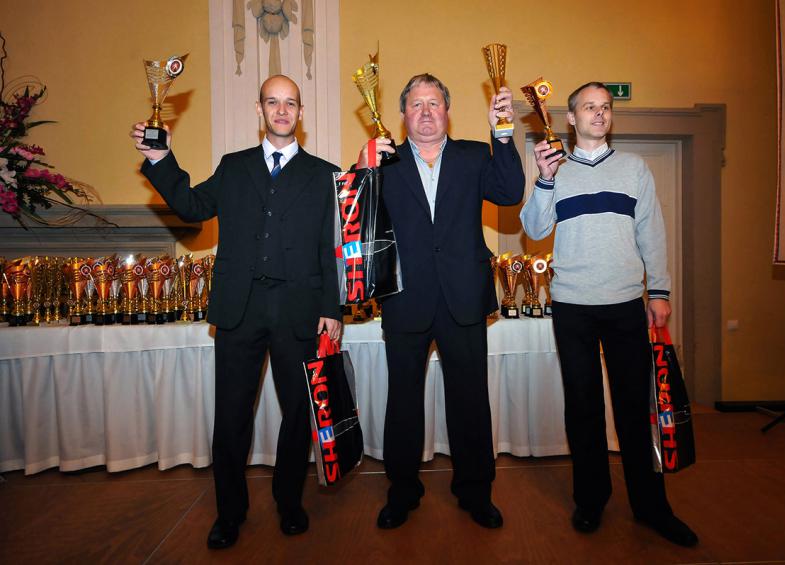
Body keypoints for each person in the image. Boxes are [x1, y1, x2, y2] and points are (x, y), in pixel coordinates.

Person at [130, 75, 342, 549]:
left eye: (290, 103)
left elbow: (330, 247)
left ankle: (290, 502)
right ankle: (230, 513)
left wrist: (332, 307)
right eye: (273, 102)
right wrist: (160, 158)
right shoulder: (233, 166)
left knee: (298, 415)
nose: (282, 111)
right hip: (239, 310)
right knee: (230, 417)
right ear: (259, 109)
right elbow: (192, 206)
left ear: (301, 112)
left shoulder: (325, 174)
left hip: (300, 311)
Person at [519, 82, 698, 547]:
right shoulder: (555, 168)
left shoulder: (634, 168)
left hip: (625, 305)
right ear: (571, 118)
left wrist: (659, 291)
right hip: (573, 306)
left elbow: (651, 232)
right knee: (583, 409)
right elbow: (533, 229)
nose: (599, 114)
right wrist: (544, 179)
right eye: (589, 107)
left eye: (605, 107)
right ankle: (590, 500)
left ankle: (651, 506)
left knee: (634, 409)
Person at [356, 74, 524, 530]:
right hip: (404, 301)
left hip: (463, 298)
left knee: (470, 402)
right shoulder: (384, 162)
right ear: (402, 115)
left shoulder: (475, 155)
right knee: (403, 403)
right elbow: (355, 219)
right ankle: (402, 492)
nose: (426, 112)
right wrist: (360, 169)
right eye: (416, 104)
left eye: (434, 103)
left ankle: (476, 492)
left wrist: (503, 133)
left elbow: (510, 193)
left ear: (447, 111)